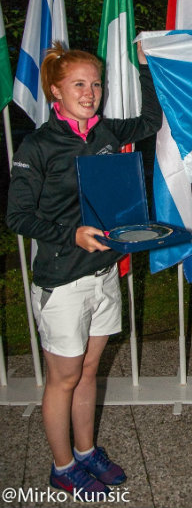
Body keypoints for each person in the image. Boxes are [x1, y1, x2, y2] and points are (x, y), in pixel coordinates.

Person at [7, 41, 162, 502]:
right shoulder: (38, 145)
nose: (90, 92)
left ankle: (86, 451)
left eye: (95, 84)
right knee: (63, 379)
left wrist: (145, 67)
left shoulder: (106, 133)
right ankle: (62, 468)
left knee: (89, 370)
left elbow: (151, 121)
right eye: (78, 84)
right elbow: (17, 216)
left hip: (104, 274)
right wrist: (70, 234)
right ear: (56, 91)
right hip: (63, 283)